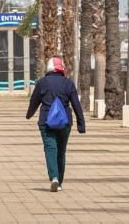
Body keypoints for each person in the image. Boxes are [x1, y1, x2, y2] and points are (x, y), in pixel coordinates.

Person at [26, 56, 84, 191]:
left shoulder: (42, 82)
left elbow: (34, 102)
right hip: (65, 122)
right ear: (61, 68)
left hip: (46, 121)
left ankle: (54, 178)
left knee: (50, 149)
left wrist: (29, 115)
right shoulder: (68, 83)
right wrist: (81, 124)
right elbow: (76, 105)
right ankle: (60, 183)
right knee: (61, 151)